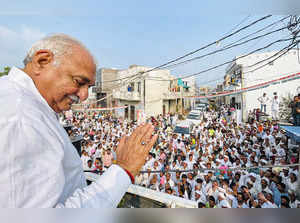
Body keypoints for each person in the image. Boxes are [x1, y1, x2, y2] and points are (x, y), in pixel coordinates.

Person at [0, 34, 158, 207]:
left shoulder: (22, 104)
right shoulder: (19, 117)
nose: (83, 96)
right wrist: (124, 170)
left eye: (88, 87)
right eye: (78, 82)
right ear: (42, 61)